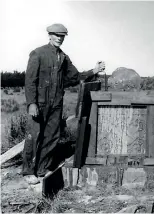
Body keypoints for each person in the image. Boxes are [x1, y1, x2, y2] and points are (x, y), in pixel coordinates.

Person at [23, 23, 106, 184]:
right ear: (50, 35)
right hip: (39, 104)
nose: (59, 38)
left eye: (62, 36)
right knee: (34, 136)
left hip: (56, 104)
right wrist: (31, 103)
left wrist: (94, 71)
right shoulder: (38, 53)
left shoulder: (63, 57)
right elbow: (30, 81)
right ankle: (28, 172)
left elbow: (75, 77)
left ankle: (41, 169)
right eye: (57, 35)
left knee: (52, 137)